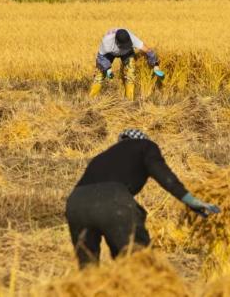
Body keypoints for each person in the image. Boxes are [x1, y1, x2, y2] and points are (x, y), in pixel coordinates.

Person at [65, 129, 220, 268]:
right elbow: (163, 175)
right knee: (141, 265)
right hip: (112, 201)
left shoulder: (102, 157)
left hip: (76, 203)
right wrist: (190, 200)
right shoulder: (145, 146)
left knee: (88, 271)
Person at [89, 27, 165, 99]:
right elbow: (101, 58)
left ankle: (129, 101)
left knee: (130, 73)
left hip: (127, 53)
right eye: (123, 45)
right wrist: (108, 69)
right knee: (99, 75)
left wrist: (155, 65)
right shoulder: (107, 42)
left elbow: (148, 51)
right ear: (117, 42)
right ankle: (91, 99)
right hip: (109, 54)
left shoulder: (132, 38)